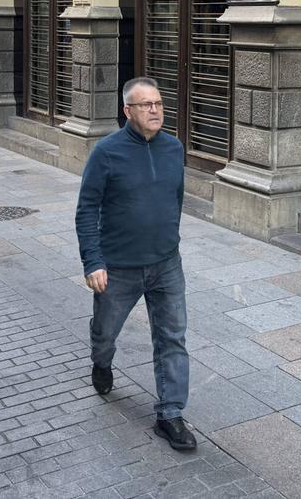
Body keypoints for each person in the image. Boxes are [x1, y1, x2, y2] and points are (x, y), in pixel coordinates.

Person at [75, 76, 195, 451]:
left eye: (159, 103)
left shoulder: (174, 148)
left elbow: (174, 200)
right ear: (127, 111)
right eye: (146, 105)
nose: (156, 110)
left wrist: (167, 241)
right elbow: (86, 210)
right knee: (106, 332)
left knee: (172, 338)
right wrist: (93, 261)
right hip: (119, 267)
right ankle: (101, 361)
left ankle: (170, 414)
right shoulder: (106, 152)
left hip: (166, 265)